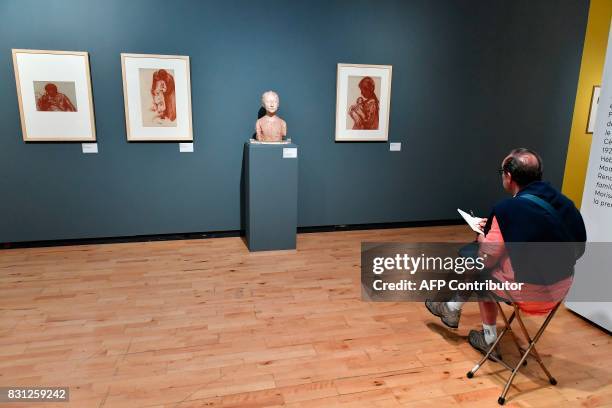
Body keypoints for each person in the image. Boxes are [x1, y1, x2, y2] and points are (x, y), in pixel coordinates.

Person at [425, 148, 586, 359]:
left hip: (530, 294)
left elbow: (488, 256)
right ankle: (451, 308)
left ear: (509, 177)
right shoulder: (564, 203)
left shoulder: (508, 209)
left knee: (479, 264)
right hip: (560, 290)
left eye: (501, 171)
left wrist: (482, 235)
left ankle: (487, 338)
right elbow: (578, 247)